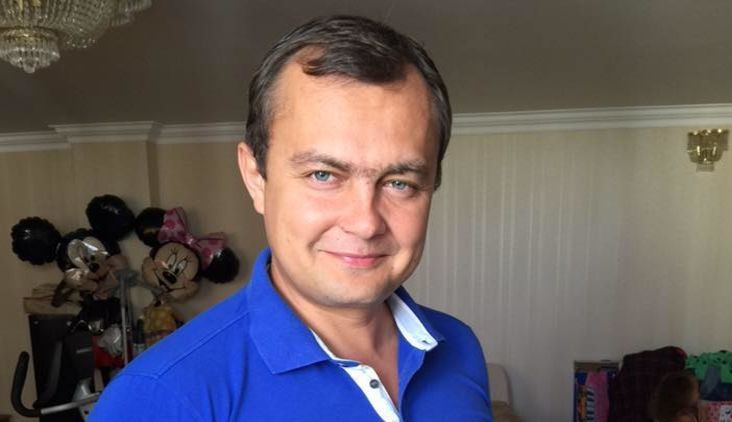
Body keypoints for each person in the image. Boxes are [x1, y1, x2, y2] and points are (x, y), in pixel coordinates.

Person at [90, 15, 491, 421]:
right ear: (256, 178)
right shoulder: (158, 398)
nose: (366, 223)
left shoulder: (459, 348)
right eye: (323, 175)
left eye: (400, 183)